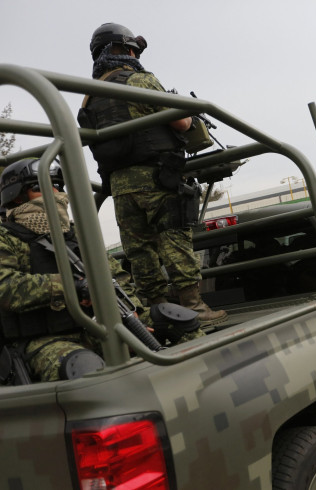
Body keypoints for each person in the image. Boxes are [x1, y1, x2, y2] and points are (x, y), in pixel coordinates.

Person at [0, 159, 204, 383]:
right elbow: (6, 288)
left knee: (180, 321)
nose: (55, 193)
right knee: (83, 368)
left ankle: (204, 384)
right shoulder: (6, 238)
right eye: (41, 188)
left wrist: (131, 311)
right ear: (16, 196)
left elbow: (117, 277)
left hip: (101, 324)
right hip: (47, 338)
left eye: (57, 185)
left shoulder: (77, 234)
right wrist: (73, 287)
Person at [77, 23, 226, 327]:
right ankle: (195, 309)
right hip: (156, 177)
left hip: (119, 185)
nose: (134, 54)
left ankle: (159, 313)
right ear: (123, 49)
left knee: (139, 251)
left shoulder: (89, 97)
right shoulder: (139, 80)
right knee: (175, 239)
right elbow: (183, 123)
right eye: (132, 49)